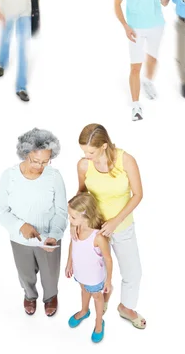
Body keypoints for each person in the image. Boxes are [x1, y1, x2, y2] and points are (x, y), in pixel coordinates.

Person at [74, 123, 146, 329]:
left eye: (91, 151)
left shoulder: (126, 160)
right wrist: (77, 223)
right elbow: (81, 194)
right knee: (100, 269)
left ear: (104, 145)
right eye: (83, 151)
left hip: (122, 226)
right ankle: (104, 296)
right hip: (95, 229)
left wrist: (115, 222)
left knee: (133, 272)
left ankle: (126, 307)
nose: (86, 156)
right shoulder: (83, 165)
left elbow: (138, 195)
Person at [0, 128, 67, 317]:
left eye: (45, 161)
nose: (40, 166)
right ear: (25, 153)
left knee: (50, 274)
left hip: (48, 238)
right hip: (19, 239)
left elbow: (61, 211)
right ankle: (29, 295)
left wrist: (54, 235)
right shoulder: (9, 176)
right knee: (25, 273)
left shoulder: (54, 177)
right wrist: (21, 226)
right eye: (36, 161)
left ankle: (51, 296)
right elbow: (2, 212)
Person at [114, 0, 169, 121]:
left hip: (157, 25)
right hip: (136, 28)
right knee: (136, 66)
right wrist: (125, 26)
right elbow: (116, 3)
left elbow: (166, 3)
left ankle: (148, 82)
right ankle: (136, 106)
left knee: (152, 60)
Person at [66, 192, 113, 344]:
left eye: (73, 217)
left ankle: (99, 322)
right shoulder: (76, 228)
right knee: (83, 290)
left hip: (94, 277)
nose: (70, 220)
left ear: (85, 215)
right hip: (80, 273)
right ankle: (84, 311)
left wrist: (108, 281)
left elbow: (108, 258)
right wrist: (69, 263)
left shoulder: (97, 237)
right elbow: (72, 244)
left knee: (97, 297)